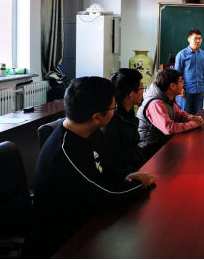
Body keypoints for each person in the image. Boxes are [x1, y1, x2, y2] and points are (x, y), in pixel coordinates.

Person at [27, 77, 156, 259]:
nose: (116, 110)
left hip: (88, 219)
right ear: (96, 117)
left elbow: (105, 166)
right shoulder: (64, 153)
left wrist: (129, 175)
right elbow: (104, 196)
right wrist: (140, 185)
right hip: (63, 241)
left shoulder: (90, 131)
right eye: (113, 107)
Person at [137, 69, 204, 158]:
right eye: (181, 81)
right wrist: (192, 124)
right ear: (172, 86)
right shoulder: (156, 103)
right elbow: (169, 128)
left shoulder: (166, 98)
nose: (183, 84)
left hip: (161, 141)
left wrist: (193, 118)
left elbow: (180, 114)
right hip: (150, 148)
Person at [102, 69, 148, 175]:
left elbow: (134, 148)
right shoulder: (110, 121)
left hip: (135, 169)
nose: (143, 91)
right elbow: (113, 161)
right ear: (132, 95)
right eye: (142, 88)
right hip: (125, 176)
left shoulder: (129, 114)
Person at [174, 29, 204, 115]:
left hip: (200, 90)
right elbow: (177, 74)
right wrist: (180, 88)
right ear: (189, 39)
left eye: (200, 38)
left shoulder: (203, 54)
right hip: (186, 91)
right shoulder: (182, 54)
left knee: (198, 115)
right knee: (186, 115)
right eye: (195, 38)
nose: (198, 41)